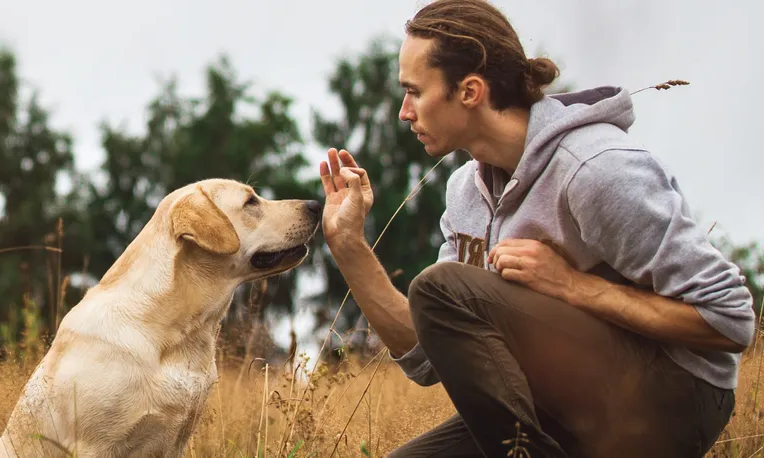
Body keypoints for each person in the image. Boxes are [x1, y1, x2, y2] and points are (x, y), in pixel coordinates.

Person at [317, 0, 756, 456]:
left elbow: (730, 320)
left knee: (437, 287)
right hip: (561, 402)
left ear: (469, 91)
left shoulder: (596, 169)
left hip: (675, 399)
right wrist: (348, 245)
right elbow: (426, 357)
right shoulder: (465, 191)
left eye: (414, 92)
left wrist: (573, 286)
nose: (403, 112)